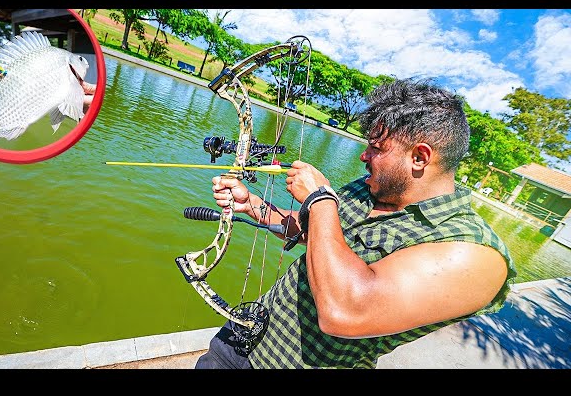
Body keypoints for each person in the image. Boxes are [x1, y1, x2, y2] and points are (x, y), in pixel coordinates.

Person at [195, 77, 516, 369]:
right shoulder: (371, 186)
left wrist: (319, 200)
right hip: (242, 338)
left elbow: (346, 311)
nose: (363, 157)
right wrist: (252, 204)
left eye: (376, 149)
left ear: (420, 157)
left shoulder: (474, 252)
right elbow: (314, 233)